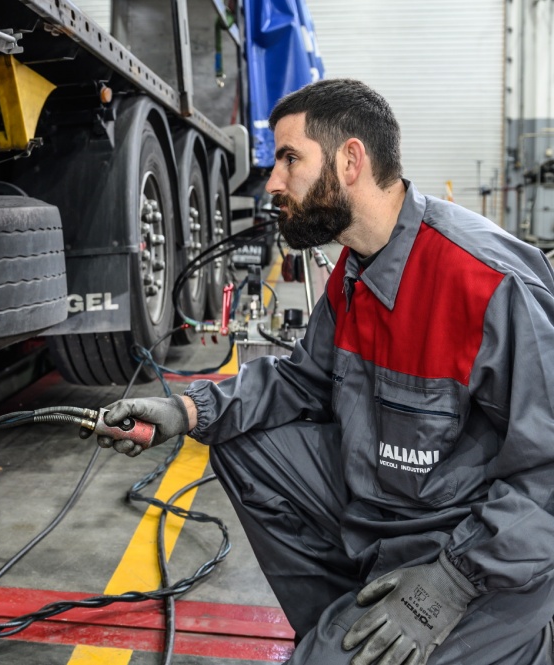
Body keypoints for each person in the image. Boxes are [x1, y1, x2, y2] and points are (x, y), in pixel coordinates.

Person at [98, 78, 554, 664]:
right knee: (242, 443)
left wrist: (450, 584)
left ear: (350, 159)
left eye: (290, 159)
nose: (273, 182)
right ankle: (349, 625)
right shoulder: (356, 272)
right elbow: (300, 379)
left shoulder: (485, 282)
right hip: (393, 519)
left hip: (480, 555)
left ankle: (514, 645)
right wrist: (188, 410)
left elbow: (547, 471)